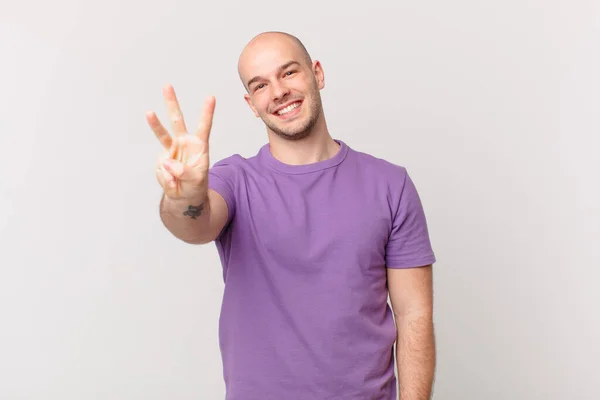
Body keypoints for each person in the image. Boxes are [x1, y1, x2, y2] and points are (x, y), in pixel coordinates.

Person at [146, 31, 437, 400]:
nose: (279, 91)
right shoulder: (233, 180)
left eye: (288, 72)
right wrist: (184, 196)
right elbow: (194, 224)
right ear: (252, 104)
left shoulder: (390, 184)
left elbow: (414, 316)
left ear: (317, 74)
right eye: (261, 85)